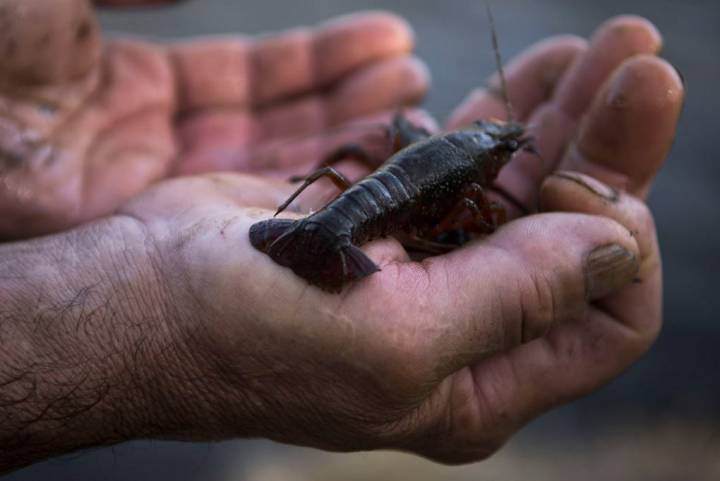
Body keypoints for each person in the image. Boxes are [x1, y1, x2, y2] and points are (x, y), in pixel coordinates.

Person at [0, 0, 683, 474]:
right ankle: (329, 236)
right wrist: (167, 306)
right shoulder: (479, 174)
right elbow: (483, 203)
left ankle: (308, 220)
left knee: (380, 182)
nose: (504, 152)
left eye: (501, 146)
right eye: (498, 149)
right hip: (370, 217)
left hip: (355, 203)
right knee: (483, 220)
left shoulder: (451, 146)